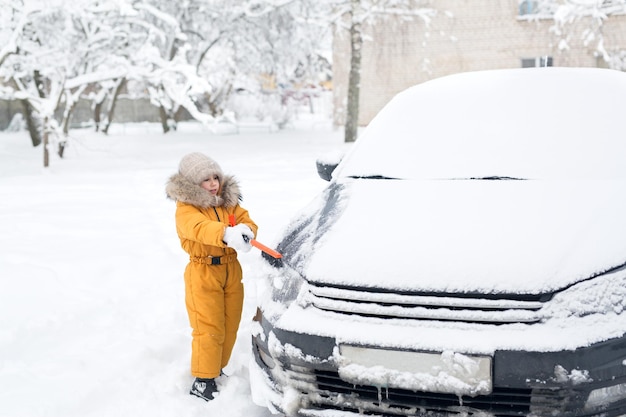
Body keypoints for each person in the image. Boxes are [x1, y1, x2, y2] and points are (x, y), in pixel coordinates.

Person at [165, 152, 258, 401]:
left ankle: (217, 369)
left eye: (215, 177)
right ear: (194, 184)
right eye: (206, 179)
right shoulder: (186, 209)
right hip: (203, 271)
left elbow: (245, 220)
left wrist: (247, 230)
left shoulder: (228, 202)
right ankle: (203, 379)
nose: (214, 183)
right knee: (209, 328)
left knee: (230, 325)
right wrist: (226, 234)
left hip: (231, 269)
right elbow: (198, 228)